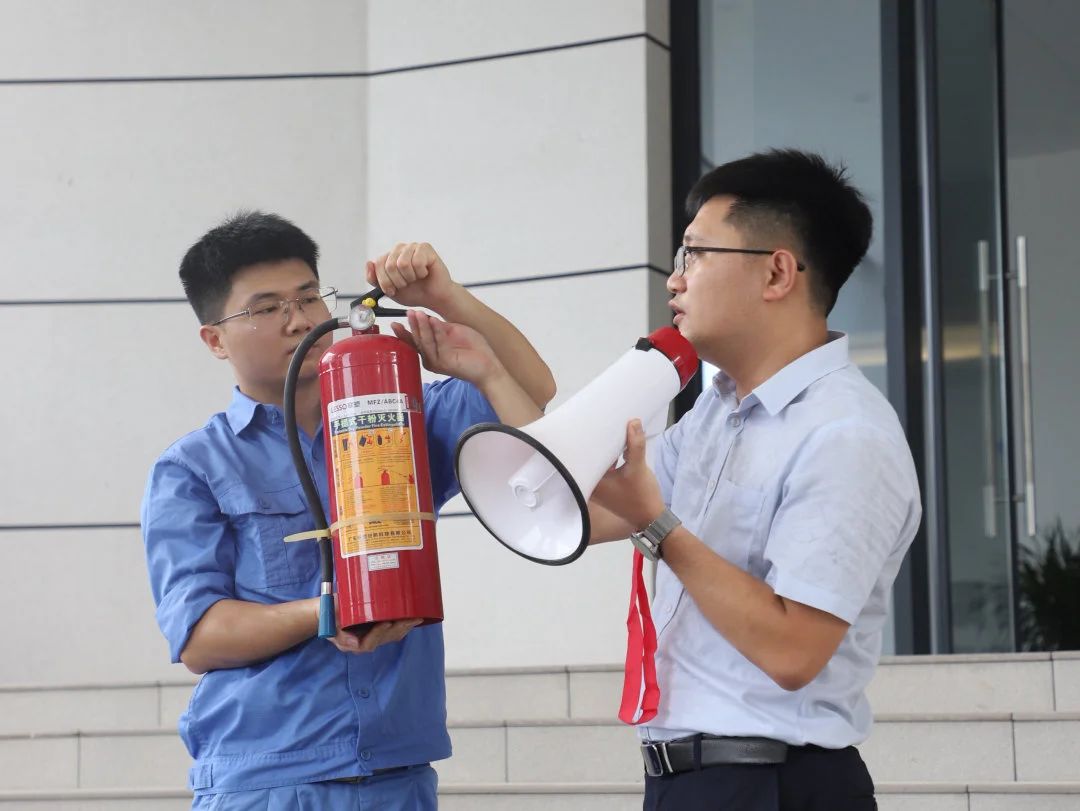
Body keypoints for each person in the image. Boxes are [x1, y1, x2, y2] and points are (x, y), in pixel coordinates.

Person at [141, 211, 553, 809]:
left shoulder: (402, 416)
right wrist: (331, 611)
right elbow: (200, 636)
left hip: (398, 772)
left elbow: (532, 387)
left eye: (309, 296)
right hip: (268, 779)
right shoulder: (194, 467)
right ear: (215, 340)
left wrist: (446, 297)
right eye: (266, 308)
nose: (299, 320)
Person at [589, 150, 921, 810]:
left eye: (694, 254)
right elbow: (589, 506)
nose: (674, 280)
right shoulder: (717, 411)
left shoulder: (846, 433)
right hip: (691, 779)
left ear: (776, 272)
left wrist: (659, 526)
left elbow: (793, 650)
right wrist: (484, 361)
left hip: (773, 783)